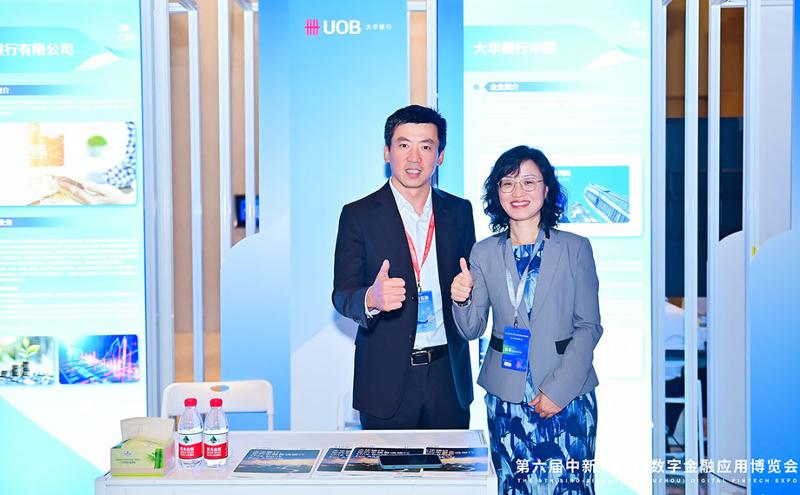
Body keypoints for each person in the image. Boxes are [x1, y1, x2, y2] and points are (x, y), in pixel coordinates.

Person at [451, 145, 602, 493]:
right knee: (514, 486)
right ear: (497, 192)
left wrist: (558, 391)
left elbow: (589, 326)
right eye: (508, 183)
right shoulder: (484, 252)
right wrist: (461, 299)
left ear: (546, 189)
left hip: (568, 395)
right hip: (507, 397)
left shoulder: (575, 248)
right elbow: (472, 328)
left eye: (529, 182)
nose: (518, 192)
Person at [332, 105, 476, 429]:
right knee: (388, 464)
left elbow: (470, 282)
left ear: (440, 156)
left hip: (448, 377)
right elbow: (342, 294)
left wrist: (467, 294)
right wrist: (371, 298)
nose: (414, 158)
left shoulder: (459, 212)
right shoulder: (358, 215)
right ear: (387, 152)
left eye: (426, 146)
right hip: (385, 380)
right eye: (403, 145)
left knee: (449, 463)